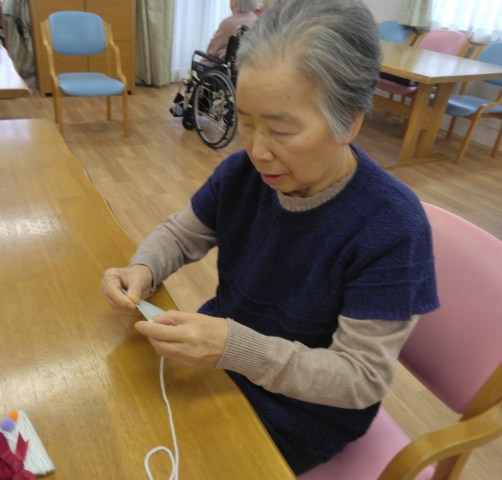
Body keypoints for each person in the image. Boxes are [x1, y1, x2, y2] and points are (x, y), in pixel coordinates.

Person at [101, 0, 439, 475]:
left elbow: (359, 379)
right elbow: (181, 234)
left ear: (350, 121)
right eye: (246, 122)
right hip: (224, 359)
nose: (258, 150)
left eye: (280, 130)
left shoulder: (391, 226)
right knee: (114, 422)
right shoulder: (243, 174)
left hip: (303, 413)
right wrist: (143, 267)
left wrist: (237, 348)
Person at [202, 0, 258, 64]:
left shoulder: (229, 23)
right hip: (247, 65)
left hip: (225, 66)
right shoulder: (256, 20)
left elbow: (211, 51)